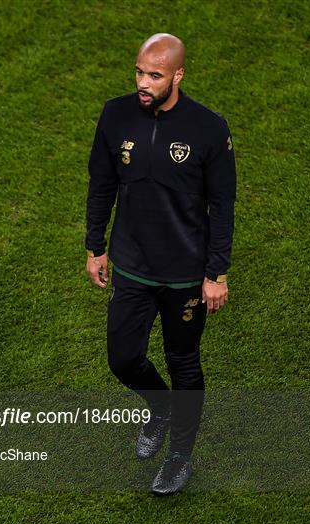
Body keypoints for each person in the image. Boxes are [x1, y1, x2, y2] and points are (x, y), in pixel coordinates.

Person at [85, 33, 237, 496]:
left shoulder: (208, 128)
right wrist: (96, 246)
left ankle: (179, 457)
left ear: (177, 75)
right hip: (131, 265)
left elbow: (222, 205)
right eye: (139, 72)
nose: (143, 83)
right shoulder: (116, 115)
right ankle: (160, 406)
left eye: (154, 75)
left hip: (186, 275)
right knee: (122, 358)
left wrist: (217, 272)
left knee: (183, 362)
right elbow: (101, 184)